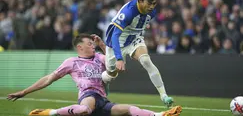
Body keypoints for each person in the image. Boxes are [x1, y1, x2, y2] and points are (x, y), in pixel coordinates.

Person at [7, 33, 182, 116]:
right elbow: (48, 78)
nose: (93, 46)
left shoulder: (99, 57)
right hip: (87, 95)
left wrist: (102, 45)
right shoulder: (71, 62)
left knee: (128, 109)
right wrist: (24, 92)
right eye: (90, 44)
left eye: (93, 43)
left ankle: (160, 115)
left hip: (103, 100)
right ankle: (49, 113)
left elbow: (112, 63)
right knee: (84, 109)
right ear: (79, 47)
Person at [102, 0, 173, 107]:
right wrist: (119, 58)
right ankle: (103, 81)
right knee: (111, 75)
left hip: (134, 38)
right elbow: (115, 35)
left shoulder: (152, 12)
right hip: (116, 43)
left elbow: (143, 22)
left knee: (146, 61)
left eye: (154, 3)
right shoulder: (128, 12)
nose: (152, 7)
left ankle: (164, 96)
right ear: (140, 0)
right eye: (149, 3)